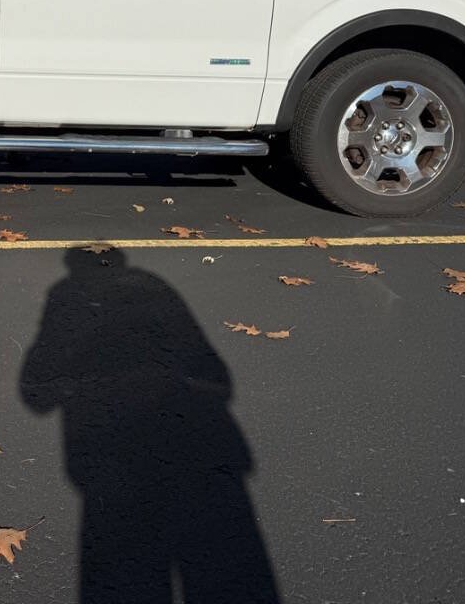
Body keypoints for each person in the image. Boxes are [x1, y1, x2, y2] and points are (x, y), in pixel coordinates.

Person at [20, 249, 280, 603]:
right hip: (199, 461)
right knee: (219, 566)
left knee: (124, 570)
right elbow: (217, 377)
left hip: (104, 466)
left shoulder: (65, 296)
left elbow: (37, 395)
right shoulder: (155, 290)